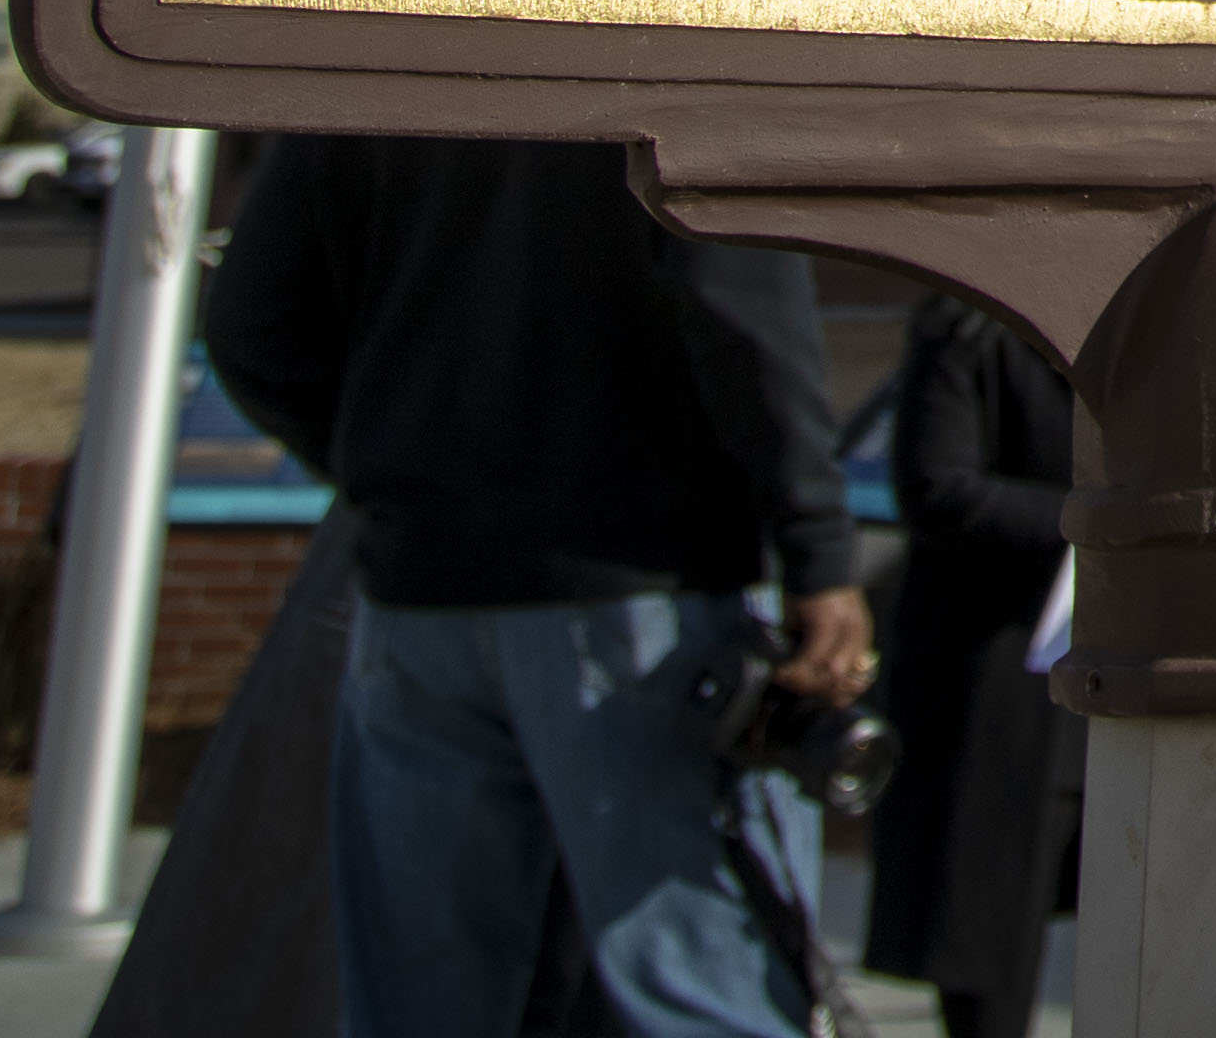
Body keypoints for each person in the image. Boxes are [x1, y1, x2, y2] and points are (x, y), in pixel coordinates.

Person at [203, 134, 874, 1038]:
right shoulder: (676, 27)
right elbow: (740, 301)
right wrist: (820, 553)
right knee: (705, 993)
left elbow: (253, 325)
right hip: (638, 590)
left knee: (421, 1005)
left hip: (422, 594)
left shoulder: (381, 31)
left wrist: (395, 466)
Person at [860, 295, 1080, 1038]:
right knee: (987, 954)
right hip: (992, 685)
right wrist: (1104, 520)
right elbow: (935, 488)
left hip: (1108, 685)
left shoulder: (1152, 333)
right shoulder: (970, 331)